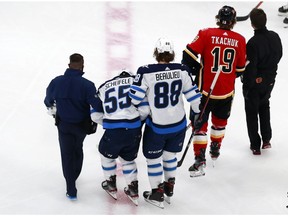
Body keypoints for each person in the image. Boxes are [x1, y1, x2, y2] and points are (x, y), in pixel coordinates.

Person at [129, 37, 202, 208]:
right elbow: (194, 97)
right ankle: (169, 187)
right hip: (178, 125)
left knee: (153, 158)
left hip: (158, 127)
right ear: (172, 54)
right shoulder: (182, 70)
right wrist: (198, 115)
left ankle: (157, 192)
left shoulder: (145, 71)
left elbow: (134, 98)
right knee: (170, 156)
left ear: (156, 53)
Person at [182, 5, 246, 177]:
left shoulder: (206, 33)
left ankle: (199, 159)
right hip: (225, 92)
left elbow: (187, 55)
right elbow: (240, 70)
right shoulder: (240, 40)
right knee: (220, 122)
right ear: (233, 22)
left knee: (200, 126)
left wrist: (198, 69)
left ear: (218, 19)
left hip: (203, 91)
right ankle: (215, 149)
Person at [44, 53, 98, 201]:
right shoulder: (88, 85)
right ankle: (73, 176)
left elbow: (48, 100)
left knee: (66, 154)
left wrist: (52, 107)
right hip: (81, 127)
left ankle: (70, 186)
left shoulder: (57, 82)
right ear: (82, 66)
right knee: (78, 150)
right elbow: (97, 105)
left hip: (64, 125)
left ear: (69, 65)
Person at [90, 70, 148, 206]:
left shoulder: (105, 86)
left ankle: (110, 183)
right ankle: (133, 188)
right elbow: (145, 110)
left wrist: (110, 123)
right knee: (128, 159)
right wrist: (135, 123)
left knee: (106, 155)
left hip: (113, 131)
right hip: (133, 130)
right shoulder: (137, 82)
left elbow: (95, 115)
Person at [242, 8, 282, 155]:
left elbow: (251, 67)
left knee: (252, 111)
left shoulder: (252, 43)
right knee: (264, 105)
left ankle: (255, 144)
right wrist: (269, 74)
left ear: (252, 24)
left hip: (256, 82)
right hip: (270, 79)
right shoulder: (275, 36)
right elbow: (279, 55)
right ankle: (266, 139)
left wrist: (247, 86)